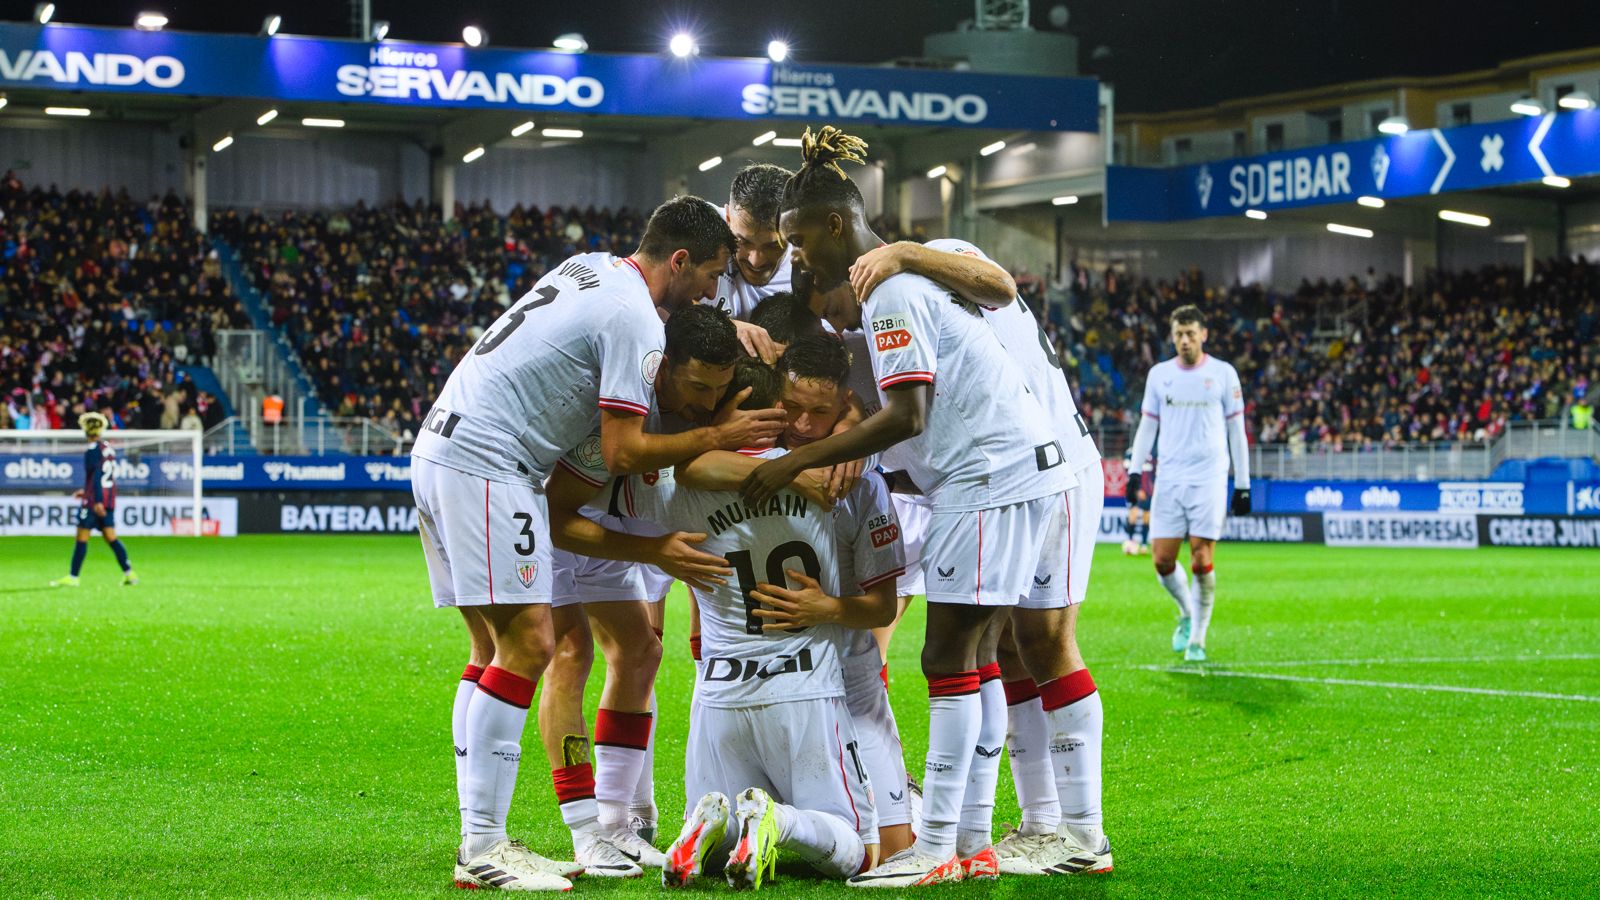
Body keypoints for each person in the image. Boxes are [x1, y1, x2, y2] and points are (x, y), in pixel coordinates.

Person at [410, 196, 785, 893]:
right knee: (534, 646)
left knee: (498, 650)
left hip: (447, 446)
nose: (711, 288)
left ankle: (513, 835)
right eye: (707, 275)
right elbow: (621, 451)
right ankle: (486, 847)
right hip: (491, 463)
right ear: (678, 259)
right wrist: (713, 436)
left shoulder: (592, 270)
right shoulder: (634, 320)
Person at [742, 126, 1077, 888]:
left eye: (799, 239)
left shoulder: (893, 289)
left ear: (834, 224)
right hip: (1013, 476)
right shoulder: (897, 285)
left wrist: (798, 457)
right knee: (977, 661)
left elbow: (906, 418)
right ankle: (970, 844)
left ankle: (933, 850)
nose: (797, 254)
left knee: (946, 659)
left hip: (987, 481)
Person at [548, 363, 901, 890]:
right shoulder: (840, 478)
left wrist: (650, 544)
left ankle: (706, 825)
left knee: (722, 841)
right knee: (858, 851)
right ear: (778, 411)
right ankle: (779, 822)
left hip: (719, 699)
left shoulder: (675, 482)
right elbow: (881, 606)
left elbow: (564, 503)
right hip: (803, 691)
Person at [536, 305, 749, 877]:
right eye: (698, 385)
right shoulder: (625, 412)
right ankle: (585, 831)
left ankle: (615, 823)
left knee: (640, 650)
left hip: (605, 531)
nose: (707, 401)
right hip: (553, 531)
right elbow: (555, 514)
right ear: (662, 368)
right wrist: (653, 551)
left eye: (719, 389)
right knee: (570, 653)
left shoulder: (698, 408)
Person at [1126, 304, 1252, 662]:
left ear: (1203, 335)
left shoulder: (1224, 374)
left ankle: (1197, 638)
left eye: (1191, 334)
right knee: (1163, 561)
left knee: (1200, 558)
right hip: (1170, 477)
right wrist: (1136, 471)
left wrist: (1242, 484)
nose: (1184, 340)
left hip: (1209, 477)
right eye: (1179, 334)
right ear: (1172, 336)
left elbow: (1236, 432)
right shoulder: (1159, 375)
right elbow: (1148, 426)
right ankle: (1186, 612)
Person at [49, 412, 137, 588]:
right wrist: (87, 491)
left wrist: (95, 500)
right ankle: (130, 573)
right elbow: (104, 476)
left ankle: (73, 577)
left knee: (82, 536)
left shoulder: (92, 450)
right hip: (108, 499)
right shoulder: (107, 448)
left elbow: (97, 476)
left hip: (94, 503)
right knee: (111, 537)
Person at [1123, 453, 1153, 555]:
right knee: (1133, 516)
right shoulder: (1130, 453)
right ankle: (1130, 542)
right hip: (1135, 491)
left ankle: (1144, 544)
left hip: (1148, 492)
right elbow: (1128, 472)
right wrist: (1137, 489)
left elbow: (1153, 473)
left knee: (1146, 517)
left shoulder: (1152, 454)